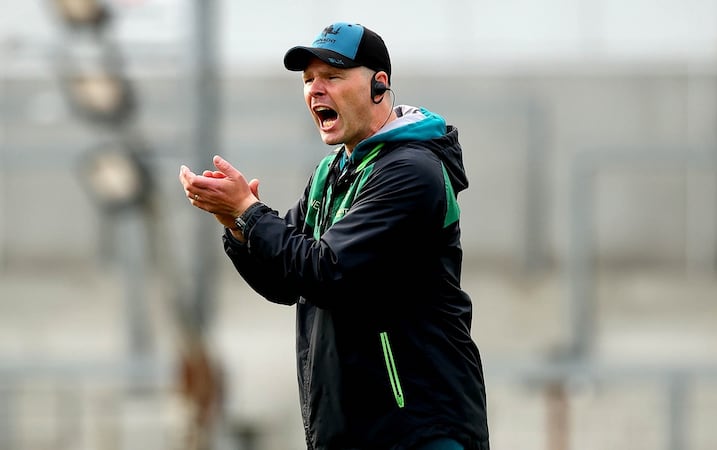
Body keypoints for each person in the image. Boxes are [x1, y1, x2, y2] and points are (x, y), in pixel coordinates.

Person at [178, 22, 490, 450]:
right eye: (309, 80)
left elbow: (327, 269)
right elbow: (288, 281)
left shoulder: (411, 172)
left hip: (417, 431)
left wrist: (248, 212)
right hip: (351, 431)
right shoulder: (331, 172)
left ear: (379, 85)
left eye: (333, 77)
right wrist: (236, 225)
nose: (315, 90)